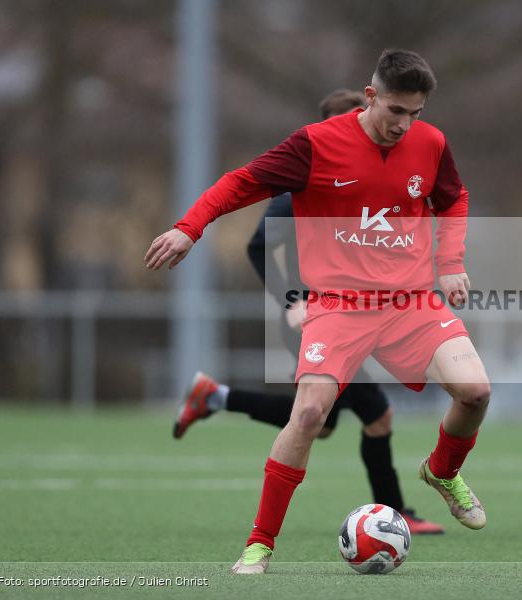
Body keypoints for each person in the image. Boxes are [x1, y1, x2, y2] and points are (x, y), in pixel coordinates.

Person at [146, 49, 490, 574]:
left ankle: (442, 472)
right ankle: (260, 544)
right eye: (396, 110)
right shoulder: (315, 144)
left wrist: (450, 262)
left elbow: (455, 198)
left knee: (476, 392)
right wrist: (188, 227)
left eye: (415, 113)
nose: (405, 124)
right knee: (309, 415)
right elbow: (240, 183)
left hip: (410, 302)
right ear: (371, 95)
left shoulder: (431, 143)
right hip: (339, 306)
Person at [171, 88, 443, 535]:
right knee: (371, 415)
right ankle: (397, 516)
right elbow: (258, 246)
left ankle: (215, 397)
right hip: (318, 316)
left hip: (353, 311)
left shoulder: (369, 178)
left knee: (322, 421)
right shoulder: (307, 177)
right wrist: (292, 300)